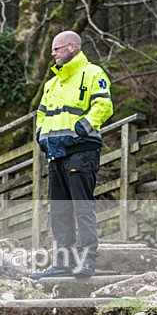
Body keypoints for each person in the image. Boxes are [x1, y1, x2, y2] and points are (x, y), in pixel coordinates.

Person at [30, 30, 113, 280]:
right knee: (59, 210)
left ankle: (87, 259)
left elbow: (104, 105)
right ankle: (63, 262)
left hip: (82, 151)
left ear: (73, 47)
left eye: (57, 48)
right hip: (55, 153)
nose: (52, 53)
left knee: (82, 207)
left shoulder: (93, 73)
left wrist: (81, 129)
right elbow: (41, 115)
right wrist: (41, 136)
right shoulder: (51, 84)